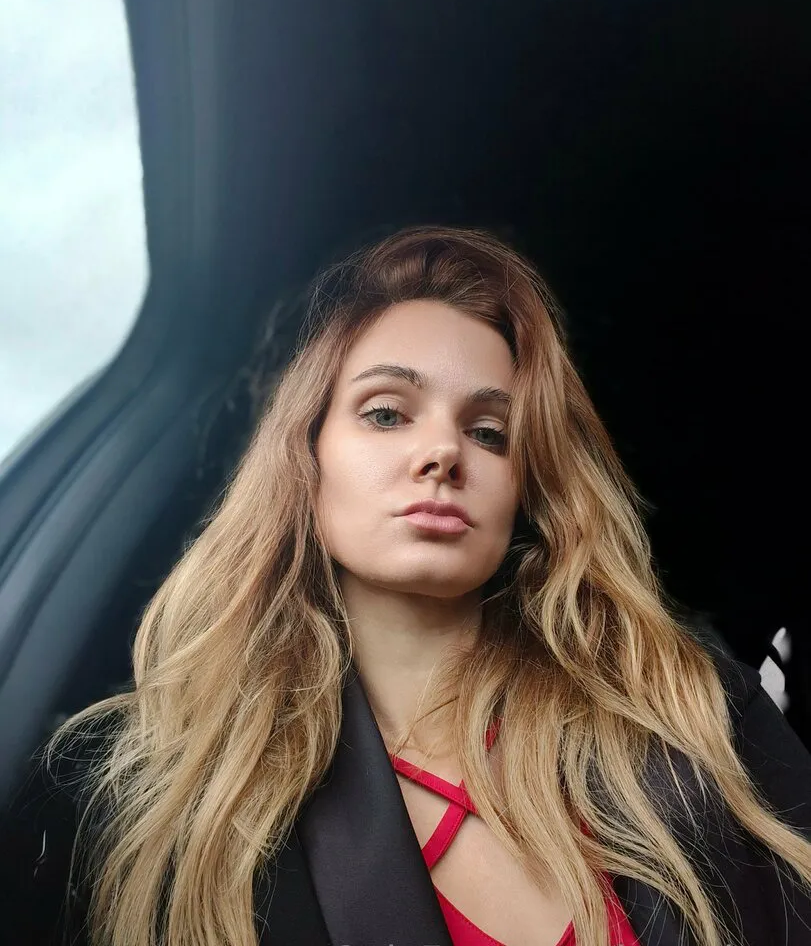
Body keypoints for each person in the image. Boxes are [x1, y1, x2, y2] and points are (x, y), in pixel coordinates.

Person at [28, 226, 811, 946]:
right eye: (385, 414)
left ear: (524, 491)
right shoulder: (162, 790)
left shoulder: (694, 712)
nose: (442, 452)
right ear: (306, 455)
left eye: (488, 432)